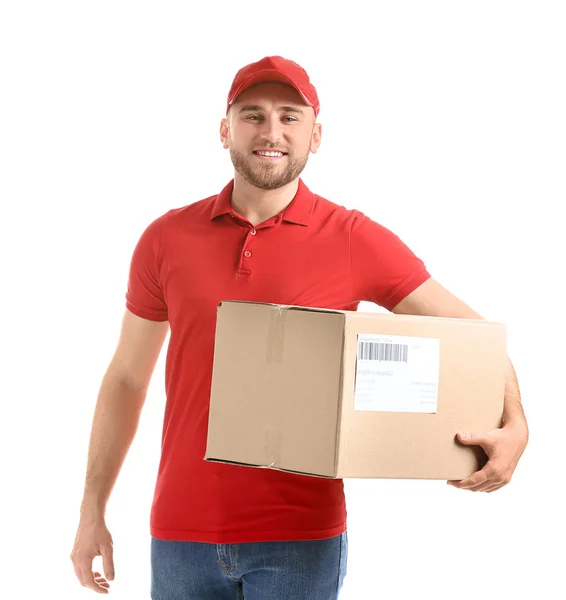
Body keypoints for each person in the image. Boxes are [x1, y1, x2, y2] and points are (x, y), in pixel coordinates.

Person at [70, 55, 529, 599]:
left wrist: (516, 425)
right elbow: (126, 376)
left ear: (316, 136)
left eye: (290, 117)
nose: (271, 132)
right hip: (179, 533)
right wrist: (91, 510)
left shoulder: (354, 237)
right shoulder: (165, 239)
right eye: (253, 116)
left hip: (299, 537)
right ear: (225, 130)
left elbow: (473, 340)